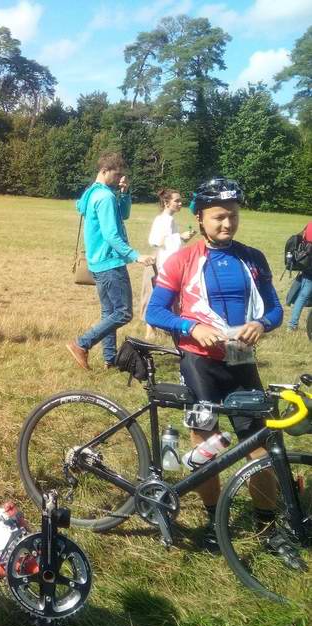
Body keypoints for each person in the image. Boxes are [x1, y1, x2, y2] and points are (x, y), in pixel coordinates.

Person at [146, 178, 290, 557]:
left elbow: (275, 308)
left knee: (257, 442)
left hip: (240, 361)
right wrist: (191, 326)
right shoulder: (181, 260)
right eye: (219, 217)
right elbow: (155, 311)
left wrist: (262, 323)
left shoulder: (252, 258)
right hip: (199, 363)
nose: (228, 224)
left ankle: (268, 527)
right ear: (200, 217)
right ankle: (213, 522)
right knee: (206, 444)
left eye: (234, 217)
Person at [66, 152, 155, 370]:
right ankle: (81, 344)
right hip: (110, 263)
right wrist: (135, 256)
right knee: (123, 312)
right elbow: (111, 235)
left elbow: (122, 215)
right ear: (105, 171)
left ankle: (109, 359)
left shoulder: (93, 193)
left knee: (109, 313)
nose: (119, 179)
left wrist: (124, 193)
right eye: (117, 176)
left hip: (96, 262)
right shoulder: (104, 197)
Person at [140, 188, 195, 340]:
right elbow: (156, 241)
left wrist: (183, 238)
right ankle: (151, 329)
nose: (180, 203)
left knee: (169, 296)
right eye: (176, 200)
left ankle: (171, 326)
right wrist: (179, 237)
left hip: (168, 261)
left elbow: (169, 242)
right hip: (163, 263)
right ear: (166, 203)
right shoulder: (163, 220)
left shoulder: (168, 219)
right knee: (160, 295)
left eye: (180, 200)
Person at [287, 220, 312, 332]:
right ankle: (292, 325)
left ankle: (292, 325)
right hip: (310, 268)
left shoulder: (310, 224)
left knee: (303, 295)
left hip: (306, 265)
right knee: (303, 296)